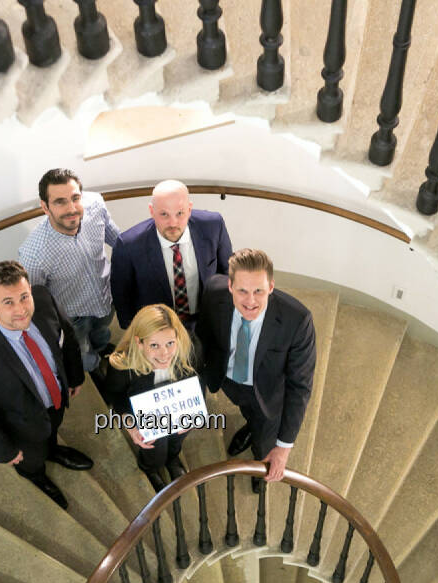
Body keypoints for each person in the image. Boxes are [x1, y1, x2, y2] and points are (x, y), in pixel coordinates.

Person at [0, 260, 93, 510]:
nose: (21, 309)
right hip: (21, 425)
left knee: (52, 429)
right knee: (32, 458)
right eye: (8, 302)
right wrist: (4, 450)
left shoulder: (42, 299)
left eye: (24, 297)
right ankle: (35, 474)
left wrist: (74, 377)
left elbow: (68, 335)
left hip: (56, 397)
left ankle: (53, 450)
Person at [196, 248, 316, 490]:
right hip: (228, 380)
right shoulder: (213, 292)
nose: (250, 302)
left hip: (269, 394)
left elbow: (300, 387)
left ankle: (259, 463)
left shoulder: (297, 320)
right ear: (230, 286)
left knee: (264, 443)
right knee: (246, 410)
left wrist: (282, 449)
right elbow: (202, 341)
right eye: (242, 290)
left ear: (271, 286)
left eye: (258, 291)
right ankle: (250, 425)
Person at [19, 168, 120, 378]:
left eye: (75, 198)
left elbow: (119, 242)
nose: (72, 208)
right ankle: (93, 371)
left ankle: (101, 351)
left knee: (102, 333)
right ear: (45, 207)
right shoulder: (34, 254)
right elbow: (36, 304)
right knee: (82, 353)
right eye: (60, 202)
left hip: (106, 298)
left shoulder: (95, 204)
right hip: (74, 317)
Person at [105, 304, 203, 493]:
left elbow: (199, 378)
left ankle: (172, 458)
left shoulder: (190, 348)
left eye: (170, 343)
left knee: (177, 440)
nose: (164, 354)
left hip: (178, 410)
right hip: (144, 417)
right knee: (154, 450)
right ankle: (150, 467)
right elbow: (115, 395)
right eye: (154, 345)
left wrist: (195, 410)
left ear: (178, 338)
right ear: (139, 343)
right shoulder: (122, 365)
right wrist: (130, 423)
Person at [110, 179, 232, 329]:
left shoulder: (213, 226)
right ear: (151, 211)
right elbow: (122, 297)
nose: (173, 223)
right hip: (159, 328)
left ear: (189, 208)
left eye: (180, 213)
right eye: (164, 214)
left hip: (205, 318)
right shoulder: (128, 246)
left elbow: (227, 272)